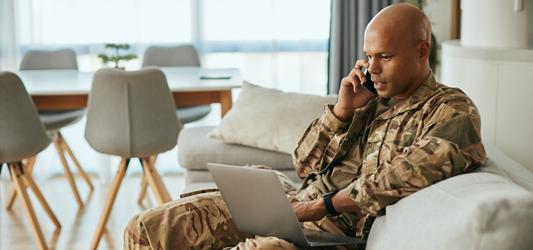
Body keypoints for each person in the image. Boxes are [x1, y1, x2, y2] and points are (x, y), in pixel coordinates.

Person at [124, 3, 486, 250]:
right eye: (369, 56)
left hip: (333, 233)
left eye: (385, 57)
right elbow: (303, 164)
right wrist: (341, 112)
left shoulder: (450, 110)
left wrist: (321, 207)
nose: (372, 68)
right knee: (144, 227)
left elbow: (410, 171)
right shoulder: (368, 99)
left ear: (422, 51)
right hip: (292, 203)